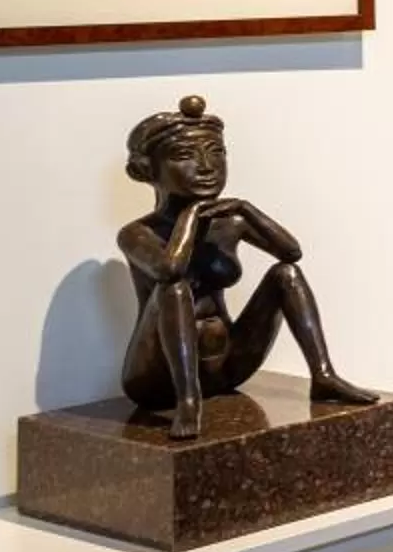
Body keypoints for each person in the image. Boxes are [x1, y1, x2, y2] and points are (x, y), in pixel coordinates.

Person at [117, 96, 377, 439]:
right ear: (145, 171)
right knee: (175, 288)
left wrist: (247, 210)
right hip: (156, 378)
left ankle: (324, 375)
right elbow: (170, 269)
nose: (207, 166)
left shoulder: (230, 222)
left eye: (216, 152)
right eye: (185, 156)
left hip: (226, 364)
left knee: (286, 275)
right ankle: (189, 400)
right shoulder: (137, 234)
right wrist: (191, 215)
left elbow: (291, 252)